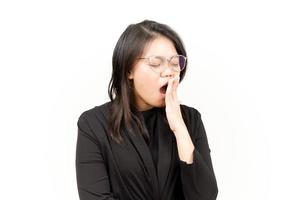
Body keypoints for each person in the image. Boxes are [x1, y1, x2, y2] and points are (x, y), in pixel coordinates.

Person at [75, 19, 218, 200]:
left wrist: (179, 128)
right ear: (128, 69)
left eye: (175, 63)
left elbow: (205, 197)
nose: (169, 72)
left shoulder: (190, 119)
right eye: (155, 63)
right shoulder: (93, 124)